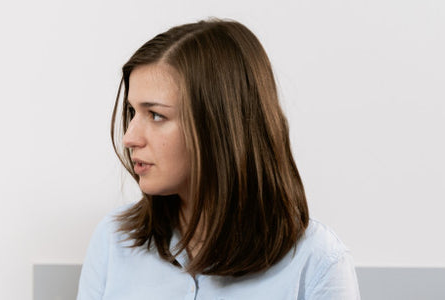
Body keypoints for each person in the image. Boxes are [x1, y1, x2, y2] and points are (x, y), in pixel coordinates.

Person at [77, 19, 360, 299]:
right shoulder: (113, 241)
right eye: (132, 112)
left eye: (156, 115)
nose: (130, 138)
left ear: (218, 124)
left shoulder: (317, 263)